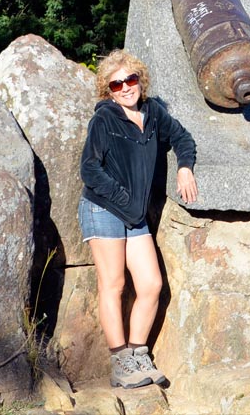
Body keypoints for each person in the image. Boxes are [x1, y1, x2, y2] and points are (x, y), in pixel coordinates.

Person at [78, 49, 197, 390]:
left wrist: (185, 166)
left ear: (140, 81)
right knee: (113, 285)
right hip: (104, 208)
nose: (125, 88)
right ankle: (120, 362)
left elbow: (182, 138)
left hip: (134, 215)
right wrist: (125, 200)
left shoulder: (153, 113)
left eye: (130, 79)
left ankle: (137, 353)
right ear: (108, 91)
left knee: (151, 285)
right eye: (117, 84)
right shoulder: (104, 120)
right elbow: (90, 169)